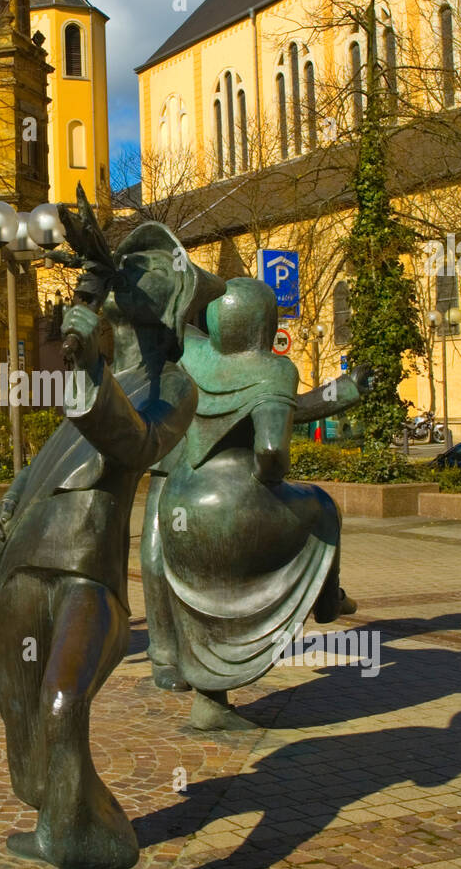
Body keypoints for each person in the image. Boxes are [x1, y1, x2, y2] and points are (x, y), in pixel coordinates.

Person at [0, 223, 222, 869]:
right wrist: (17, 491)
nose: (128, 281)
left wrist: (95, 372)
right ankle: (54, 814)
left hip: (89, 573)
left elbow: (137, 446)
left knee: (61, 703)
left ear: (173, 302)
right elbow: (60, 441)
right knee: (17, 712)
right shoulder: (95, 356)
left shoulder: (179, 383)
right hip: (28, 556)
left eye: (148, 274)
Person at [141, 276, 362, 730]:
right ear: (265, 323)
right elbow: (270, 450)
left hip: (182, 500)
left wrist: (343, 392)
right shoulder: (274, 369)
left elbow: (280, 405)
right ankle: (327, 604)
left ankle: (210, 701)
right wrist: (271, 478)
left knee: (207, 589)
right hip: (234, 499)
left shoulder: (190, 354)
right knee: (322, 507)